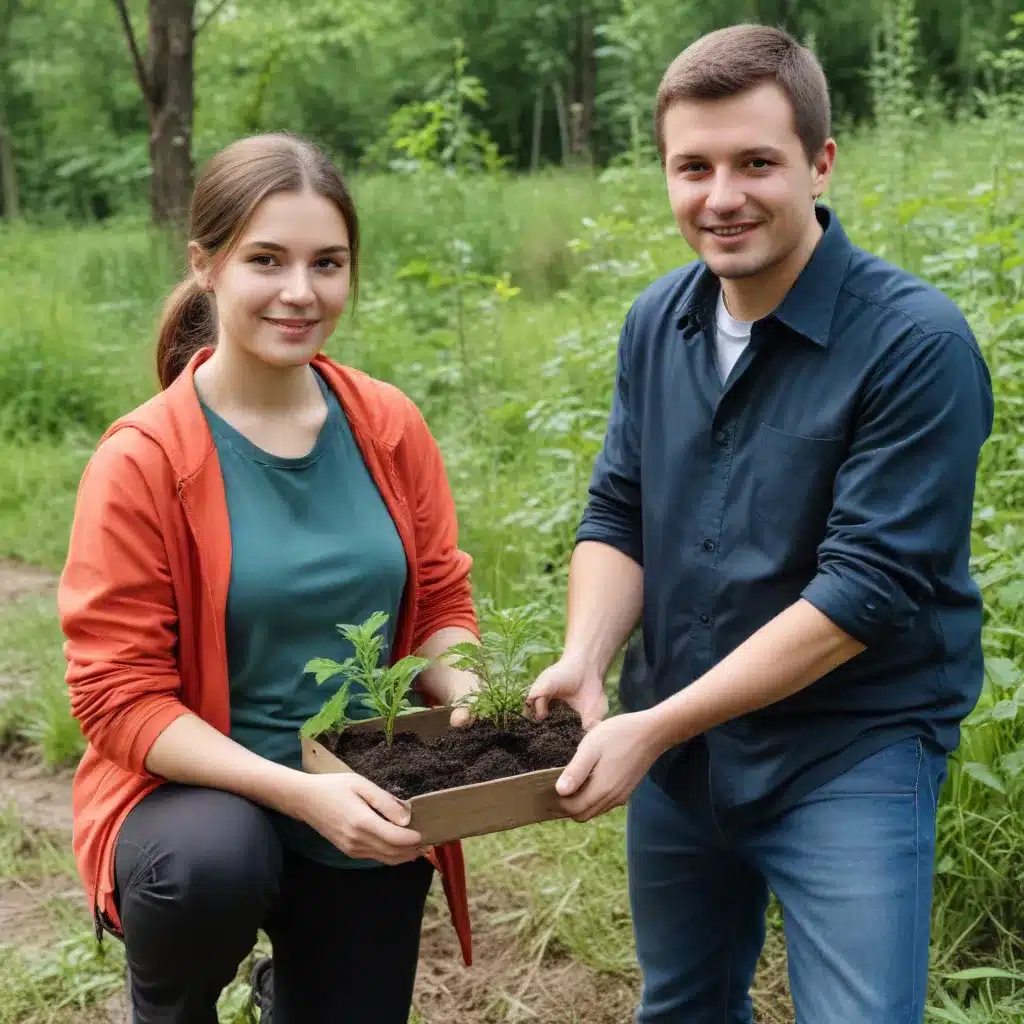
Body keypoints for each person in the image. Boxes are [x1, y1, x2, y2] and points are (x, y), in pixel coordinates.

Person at [527, 24, 994, 1024]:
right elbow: (621, 508)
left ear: (820, 163)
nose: (720, 196)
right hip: (679, 754)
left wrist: (653, 724)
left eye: (755, 162)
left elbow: (861, 592)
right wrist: (586, 656)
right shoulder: (660, 319)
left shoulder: (913, 346)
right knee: (683, 1007)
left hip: (847, 750)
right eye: (691, 166)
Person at [57, 131, 481, 1024]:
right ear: (205, 265)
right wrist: (295, 790)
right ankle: (170, 1003)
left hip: (364, 796)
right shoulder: (143, 460)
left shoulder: (387, 425)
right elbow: (115, 693)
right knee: (215, 862)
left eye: (327, 263)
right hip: (199, 802)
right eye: (267, 260)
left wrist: (474, 694)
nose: (301, 292)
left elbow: (440, 597)